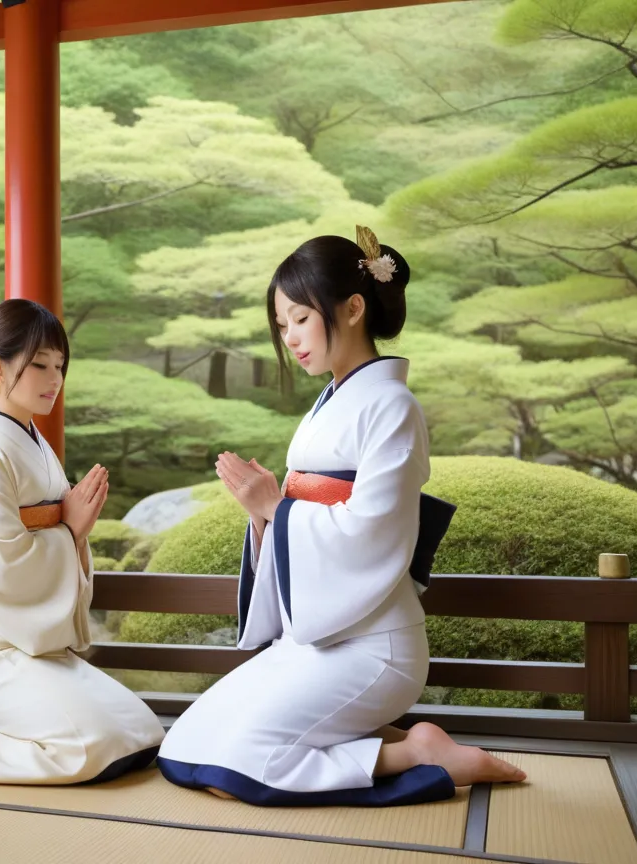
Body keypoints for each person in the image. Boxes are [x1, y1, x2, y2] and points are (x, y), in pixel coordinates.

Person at [156, 228, 526, 805]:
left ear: (353, 308)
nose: (291, 338)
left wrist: (275, 509)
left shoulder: (392, 407)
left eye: (300, 319)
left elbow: (374, 532)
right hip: (319, 637)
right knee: (191, 742)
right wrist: (265, 516)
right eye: (282, 326)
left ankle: (418, 754)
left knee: (241, 763)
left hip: (374, 644)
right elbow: (301, 519)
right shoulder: (328, 403)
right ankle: (392, 740)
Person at [0, 297, 165, 785]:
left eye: (59, 365)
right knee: (92, 747)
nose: (54, 378)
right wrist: (70, 531)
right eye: (39, 364)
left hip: (32, 646)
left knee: (140, 731)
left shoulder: (37, 448)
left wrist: (68, 532)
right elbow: (1, 566)